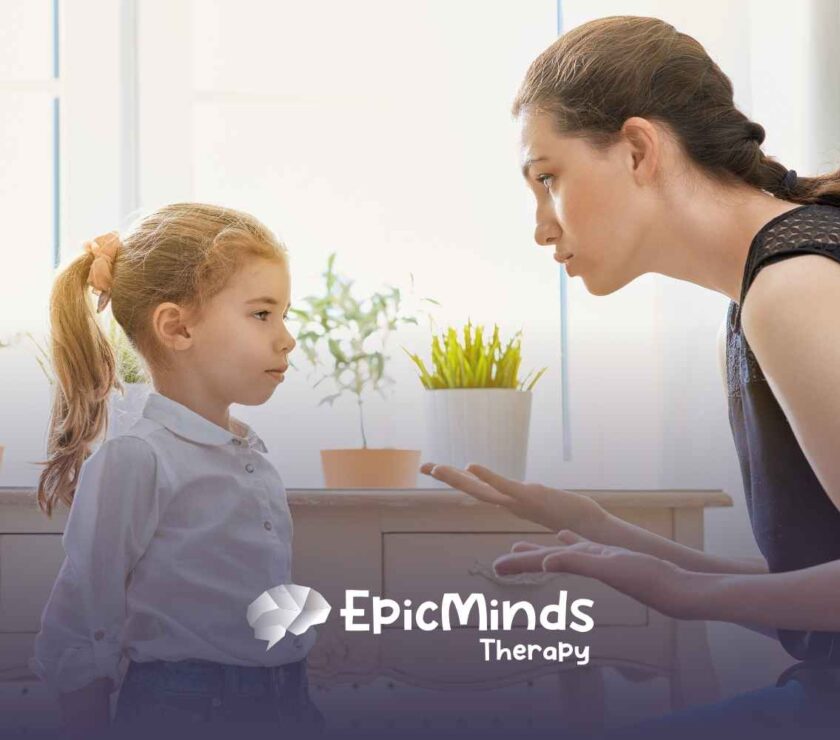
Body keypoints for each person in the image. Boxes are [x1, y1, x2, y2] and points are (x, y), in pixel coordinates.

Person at [421, 15, 840, 740]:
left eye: (548, 178)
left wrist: (686, 592)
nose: (541, 227)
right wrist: (603, 530)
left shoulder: (792, 287)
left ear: (640, 148)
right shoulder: (758, 299)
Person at [30, 203, 325, 739]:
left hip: (286, 701)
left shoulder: (253, 458)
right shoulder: (138, 458)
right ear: (177, 327)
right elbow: (78, 623)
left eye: (284, 315)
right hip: (190, 710)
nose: (287, 338)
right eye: (262, 314)